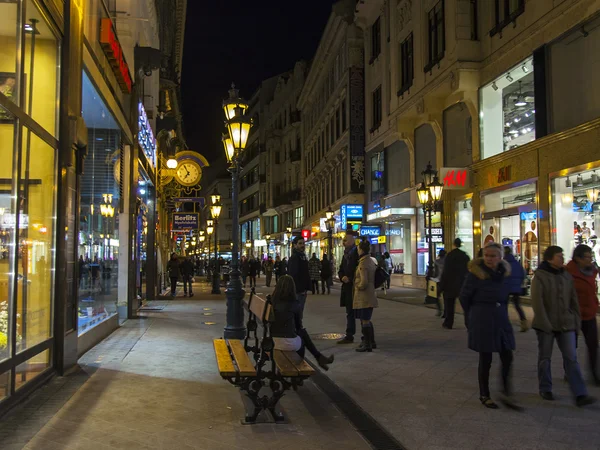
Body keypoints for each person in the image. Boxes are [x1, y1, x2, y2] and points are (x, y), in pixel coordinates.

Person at [531, 245, 596, 407]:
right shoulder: (540, 276)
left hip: (566, 324)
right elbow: (537, 302)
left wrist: (575, 319)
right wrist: (544, 322)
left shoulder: (566, 276)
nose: (562, 258)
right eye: (559, 256)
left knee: (571, 358)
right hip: (546, 324)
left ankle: (580, 393)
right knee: (545, 357)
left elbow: (573, 299)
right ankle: (545, 387)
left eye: (562, 255)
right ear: (549, 258)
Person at [460, 242, 518, 410]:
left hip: (500, 318)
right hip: (482, 317)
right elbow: (464, 297)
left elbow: (507, 295)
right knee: (486, 358)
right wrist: (471, 316)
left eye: (493, 256)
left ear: (500, 258)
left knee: (507, 355)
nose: (489, 259)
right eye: (486, 255)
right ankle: (484, 394)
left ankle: (506, 391)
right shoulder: (475, 274)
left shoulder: (504, 274)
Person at [271, 275, 334, 370]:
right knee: (302, 336)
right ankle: (303, 365)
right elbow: (298, 326)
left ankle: (319, 358)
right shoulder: (294, 303)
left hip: (272, 341)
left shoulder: (272, 302)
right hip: (287, 343)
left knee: (302, 333)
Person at [566, 244, 600, 386]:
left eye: (591, 256)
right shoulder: (568, 272)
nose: (590, 259)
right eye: (587, 257)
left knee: (593, 345)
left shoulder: (592, 271)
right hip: (574, 314)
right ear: (578, 258)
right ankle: (570, 373)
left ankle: (595, 374)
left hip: (589, 313)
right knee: (571, 346)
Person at [354, 239, 379, 352]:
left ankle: (367, 343)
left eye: (358, 248)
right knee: (367, 319)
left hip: (364, 295)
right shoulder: (371, 261)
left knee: (364, 320)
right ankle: (371, 342)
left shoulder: (363, 263)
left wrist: (357, 285)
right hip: (371, 293)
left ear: (361, 249)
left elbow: (363, 282)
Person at [440, 238, 470, 329]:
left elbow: (446, 271)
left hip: (450, 284)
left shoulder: (450, 256)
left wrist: (442, 285)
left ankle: (449, 322)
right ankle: (468, 323)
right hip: (462, 283)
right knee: (466, 305)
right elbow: (468, 270)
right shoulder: (465, 256)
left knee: (449, 305)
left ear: (454, 244)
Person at [337, 232, 360, 345]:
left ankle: (366, 336)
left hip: (356, 287)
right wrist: (342, 277)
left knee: (361, 312)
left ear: (352, 241)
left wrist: (350, 278)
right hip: (347, 287)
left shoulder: (357, 253)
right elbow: (340, 269)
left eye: (345, 240)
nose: (343, 242)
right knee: (349, 312)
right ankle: (349, 335)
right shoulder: (345, 254)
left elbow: (360, 270)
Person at [503, 246, 528, 332]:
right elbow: (523, 274)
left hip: (506, 287)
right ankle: (524, 322)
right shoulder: (517, 263)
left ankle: (504, 324)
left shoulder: (503, 263)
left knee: (504, 306)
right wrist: (519, 284)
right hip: (516, 288)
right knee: (517, 305)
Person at [287, 237, 311, 320]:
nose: (302, 245)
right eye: (300, 243)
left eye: (303, 243)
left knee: (299, 311)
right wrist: (300, 288)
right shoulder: (295, 257)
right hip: (298, 290)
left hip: (301, 289)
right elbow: (293, 274)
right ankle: (297, 329)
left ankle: (297, 328)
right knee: (298, 312)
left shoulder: (302, 256)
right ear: (295, 245)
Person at [432, 249, 446, 316]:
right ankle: (446, 312)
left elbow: (435, 272)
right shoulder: (448, 261)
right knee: (446, 297)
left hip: (439, 280)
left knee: (437, 296)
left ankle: (439, 310)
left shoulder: (437, 261)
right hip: (447, 281)